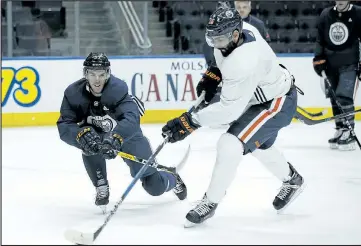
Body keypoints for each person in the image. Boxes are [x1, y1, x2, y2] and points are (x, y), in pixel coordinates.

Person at [161, 8, 305, 227]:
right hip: (259, 97)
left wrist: (189, 122)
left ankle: (210, 202)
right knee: (259, 144)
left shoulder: (244, 62)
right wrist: (213, 74)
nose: (215, 42)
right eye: (212, 37)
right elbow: (222, 61)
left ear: (235, 35)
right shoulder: (238, 31)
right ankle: (293, 180)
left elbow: (229, 111)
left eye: (219, 38)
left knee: (230, 143)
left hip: (276, 102)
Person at [57, 52, 187, 211]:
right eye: (92, 74)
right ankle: (101, 184)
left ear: (108, 74)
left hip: (127, 137)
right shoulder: (73, 94)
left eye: (101, 74)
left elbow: (132, 119)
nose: (97, 79)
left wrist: (116, 137)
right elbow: (64, 124)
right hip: (99, 135)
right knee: (88, 139)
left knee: (154, 187)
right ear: (85, 74)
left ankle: (172, 177)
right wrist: (79, 135)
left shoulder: (117, 90)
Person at [312, 1, 361, 151]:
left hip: (350, 63)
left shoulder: (358, 13)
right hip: (330, 64)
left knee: (343, 96)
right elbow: (320, 39)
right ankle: (340, 128)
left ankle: (349, 131)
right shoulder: (326, 14)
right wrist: (318, 59)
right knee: (334, 97)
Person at [203, 1, 270, 67]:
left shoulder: (258, 24)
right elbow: (210, 45)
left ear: (249, 8)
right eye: (239, 7)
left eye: (244, 7)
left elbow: (266, 44)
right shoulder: (223, 24)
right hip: (227, 62)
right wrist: (213, 65)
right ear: (234, 9)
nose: (241, 10)